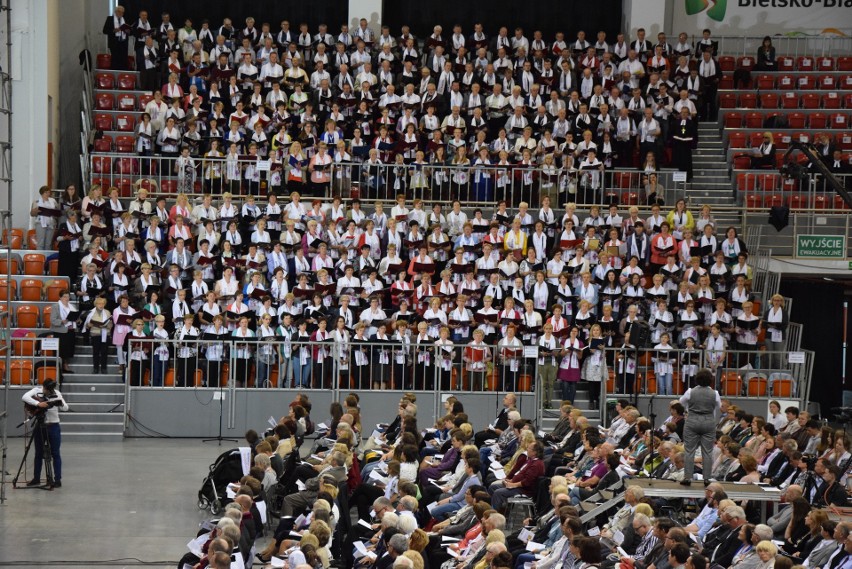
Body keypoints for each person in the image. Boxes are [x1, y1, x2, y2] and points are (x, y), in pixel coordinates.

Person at [22, 378, 69, 487]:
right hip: (40, 426)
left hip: (53, 426)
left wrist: (60, 403)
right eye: (46, 389)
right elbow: (24, 397)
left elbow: (66, 408)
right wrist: (38, 404)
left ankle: (57, 479)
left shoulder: (57, 393)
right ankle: (36, 478)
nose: (47, 391)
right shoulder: (37, 390)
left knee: (55, 453)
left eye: (49, 389)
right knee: (38, 453)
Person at [680, 368, 722, 485]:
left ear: (697, 379)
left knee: (689, 450)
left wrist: (689, 408)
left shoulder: (690, 391)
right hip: (708, 421)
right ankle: (707, 478)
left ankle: (688, 477)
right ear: (710, 380)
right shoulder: (715, 393)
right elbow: (719, 406)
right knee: (707, 451)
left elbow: (681, 402)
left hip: (692, 420)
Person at [102, 5, 129, 70]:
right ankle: (114, 74)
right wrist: (113, 30)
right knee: (115, 60)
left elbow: (129, 30)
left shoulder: (125, 19)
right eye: (119, 12)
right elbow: (104, 30)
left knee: (123, 60)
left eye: (122, 12)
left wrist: (128, 31)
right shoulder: (110, 19)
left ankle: (122, 75)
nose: (121, 13)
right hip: (114, 43)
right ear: (116, 11)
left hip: (123, 43)